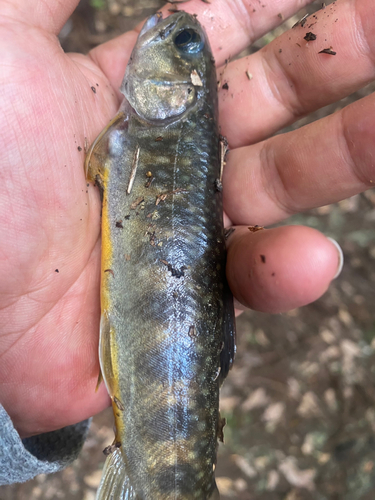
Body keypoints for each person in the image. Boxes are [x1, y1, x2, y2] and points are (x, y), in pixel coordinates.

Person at [0, 0, 373, 485]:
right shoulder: (136, 137)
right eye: (185, 45)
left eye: (185, 45)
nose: (173, 28)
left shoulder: (130, 139)